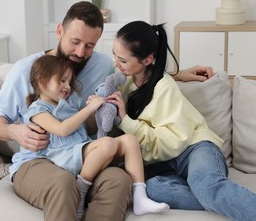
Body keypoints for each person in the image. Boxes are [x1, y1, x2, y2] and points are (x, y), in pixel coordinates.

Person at [0, 0, 214, 221]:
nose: (80, 51)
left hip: (82, 153)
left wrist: (178, 75)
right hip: (39, 159)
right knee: (62, 184)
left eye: (89, 45)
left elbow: (134, 72)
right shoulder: (26, 70)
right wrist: (15, 132)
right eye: (75, 41)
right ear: (59, 31)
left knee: (119, 180)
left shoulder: (103, 64)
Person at [106, 20, 256, 221]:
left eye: (123, 60)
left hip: (194, 147)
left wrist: (125, 120)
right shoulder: (124, 80)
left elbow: (170, 142)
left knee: (205, 185)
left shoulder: (165, 88)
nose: (115, 63)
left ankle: (213, 193)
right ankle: (214, 198)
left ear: (148, 59)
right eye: (114, 55)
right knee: (152, 189)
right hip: (164, 164)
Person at [12, 55, 169, 218]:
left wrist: (98, 107)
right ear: (41, 81)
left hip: (80, 152)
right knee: (107, 144)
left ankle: (139, 196)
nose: (67, 86)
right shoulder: (37, 109)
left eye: (69, 82)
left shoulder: (69, 104)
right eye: (62, 80)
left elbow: (85, 127)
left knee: (130, 140)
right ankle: (81, 189)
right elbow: (62, 129)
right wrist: (88, 109)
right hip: (65, 155)